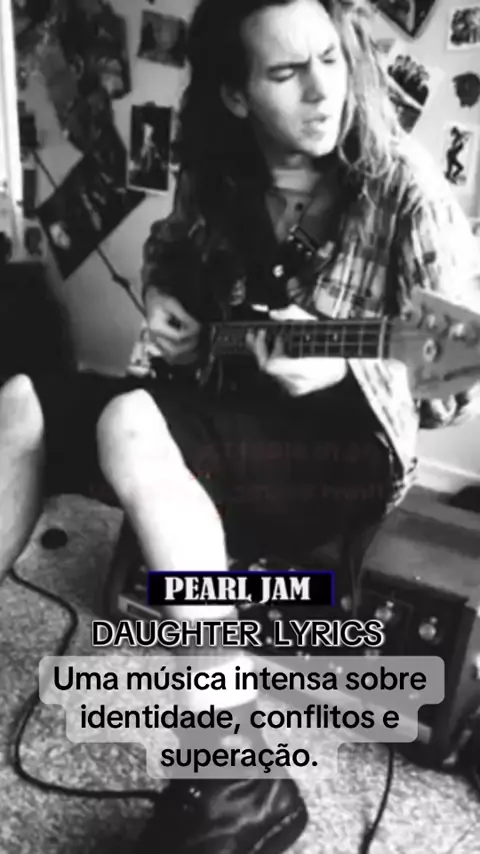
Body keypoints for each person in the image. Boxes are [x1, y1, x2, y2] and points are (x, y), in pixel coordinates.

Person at [1, 0, 480, 852]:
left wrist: (347, 364)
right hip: (231, 405)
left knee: (130, 422)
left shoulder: (406, 189)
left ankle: (231, 760)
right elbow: (169, 251)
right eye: (286, 73)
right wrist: (166, 304)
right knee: (22, 399)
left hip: (349, 447)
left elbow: (458, 381)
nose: (323, 91)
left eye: (329, 59)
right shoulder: (217, 171)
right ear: (234, 94)